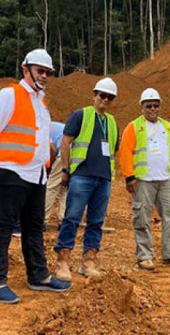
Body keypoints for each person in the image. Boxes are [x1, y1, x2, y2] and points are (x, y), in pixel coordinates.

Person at [0, 49, 71, 304]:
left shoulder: (41, 101)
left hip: (36, 174)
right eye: (40, 71)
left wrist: (46, 157)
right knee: (4, 225)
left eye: (48, 72)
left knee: (33, 226)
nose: (45, 76)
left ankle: (38, 276)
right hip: (9, 171)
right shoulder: (9, 95)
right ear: (25, 69)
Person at [54, 77, 119, 280]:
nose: (105, 99)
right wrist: (65, 169)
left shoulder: (112, 122)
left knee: (96, 221)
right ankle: (63, 262)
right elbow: (65, 142)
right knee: (71, 218)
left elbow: (113, 151)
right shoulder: (80, 115)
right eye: (102, 95)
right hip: (82, 175)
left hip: (103, 179)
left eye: (110, 97)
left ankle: (88, 261)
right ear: (94, 95)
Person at [119, 88, 170, 270]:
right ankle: (144, 256)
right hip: (143, 180)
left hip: (166, 179)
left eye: (155, 106)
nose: (152, 109)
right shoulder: (134, 127)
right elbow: (125, 152)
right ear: (142, 107)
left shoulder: (167, 127)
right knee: (142, 217)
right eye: (148, 106)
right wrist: (129, 176)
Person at [43, 121, 66, 229]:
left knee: (51, 187)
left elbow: (52, 150)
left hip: (63, 154)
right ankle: (63, 220)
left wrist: (48, 170)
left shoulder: (40, 127)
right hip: (75, 154)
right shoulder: (52, 126)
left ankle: (42, 219)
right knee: (64, 188)